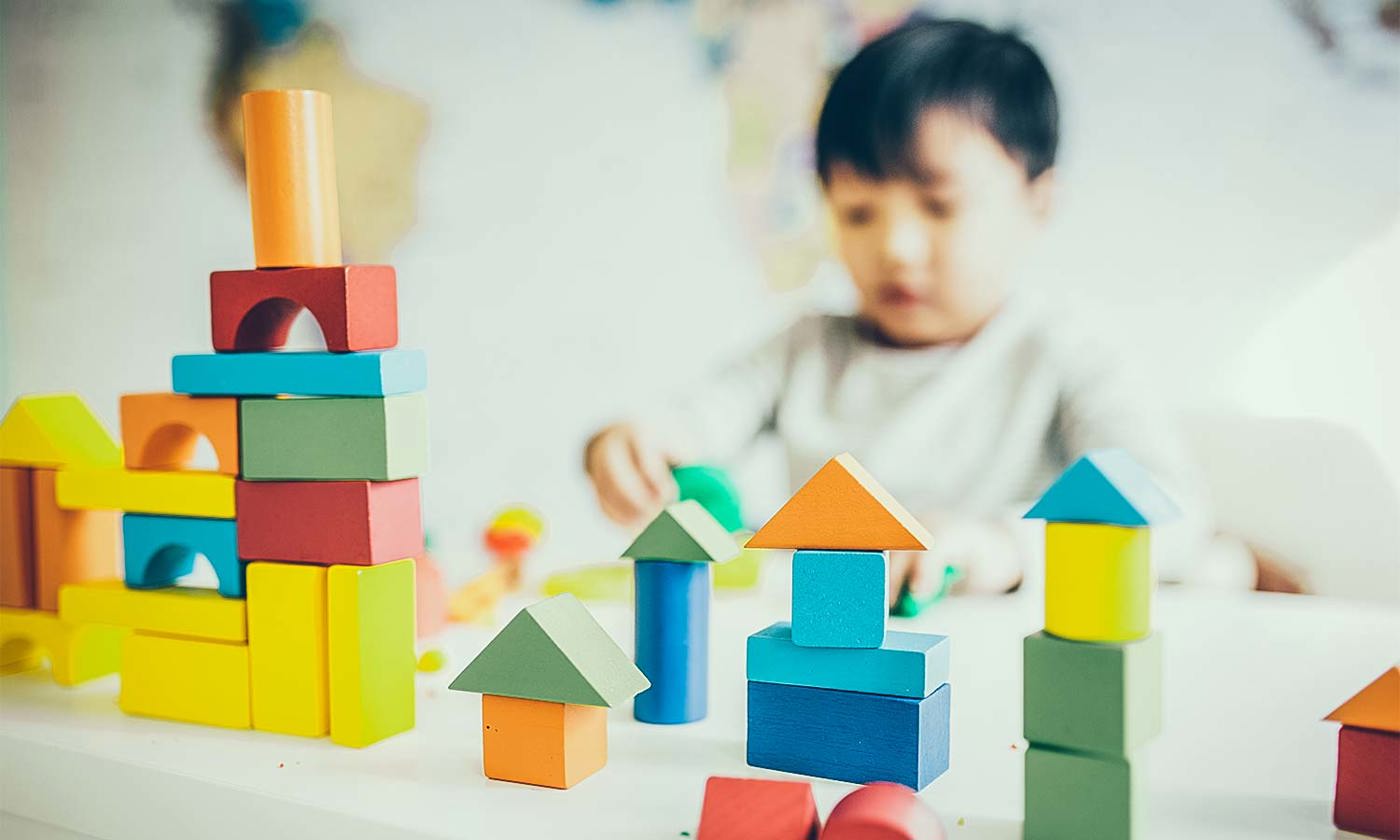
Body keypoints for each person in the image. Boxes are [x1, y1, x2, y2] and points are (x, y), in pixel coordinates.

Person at [584, 17, 1210, 603]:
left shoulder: (1061, 353)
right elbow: (693, 419)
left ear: (1037, 203)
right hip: (835, 659)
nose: (895, 248)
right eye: (858, 213)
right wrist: (636, 443)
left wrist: (1005, 546)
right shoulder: (804, 349)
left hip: (1001, 667)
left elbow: (1168, 513)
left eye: (939, 207)